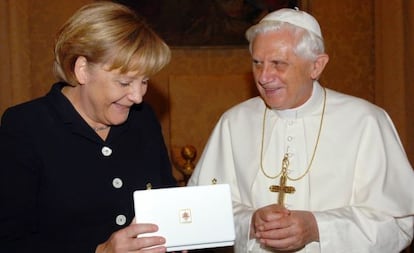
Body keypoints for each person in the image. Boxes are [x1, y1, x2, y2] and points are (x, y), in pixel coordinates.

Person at [188, 7, 414, 253]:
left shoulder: (366, 122)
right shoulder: (234, 122)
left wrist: (318, 228)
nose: (263, 77)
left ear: (316, 66)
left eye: (278, 64)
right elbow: (199, 213)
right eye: (257, 63)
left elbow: (398, 223)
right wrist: (250, 223)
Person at [0, 2, 177, 252]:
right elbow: (10, 242)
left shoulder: (143, 118)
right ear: (82, 70)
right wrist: (100, 251)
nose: (138, 96)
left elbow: (165, 200)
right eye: (125, 82)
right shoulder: (26, 127)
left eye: (144, 81)